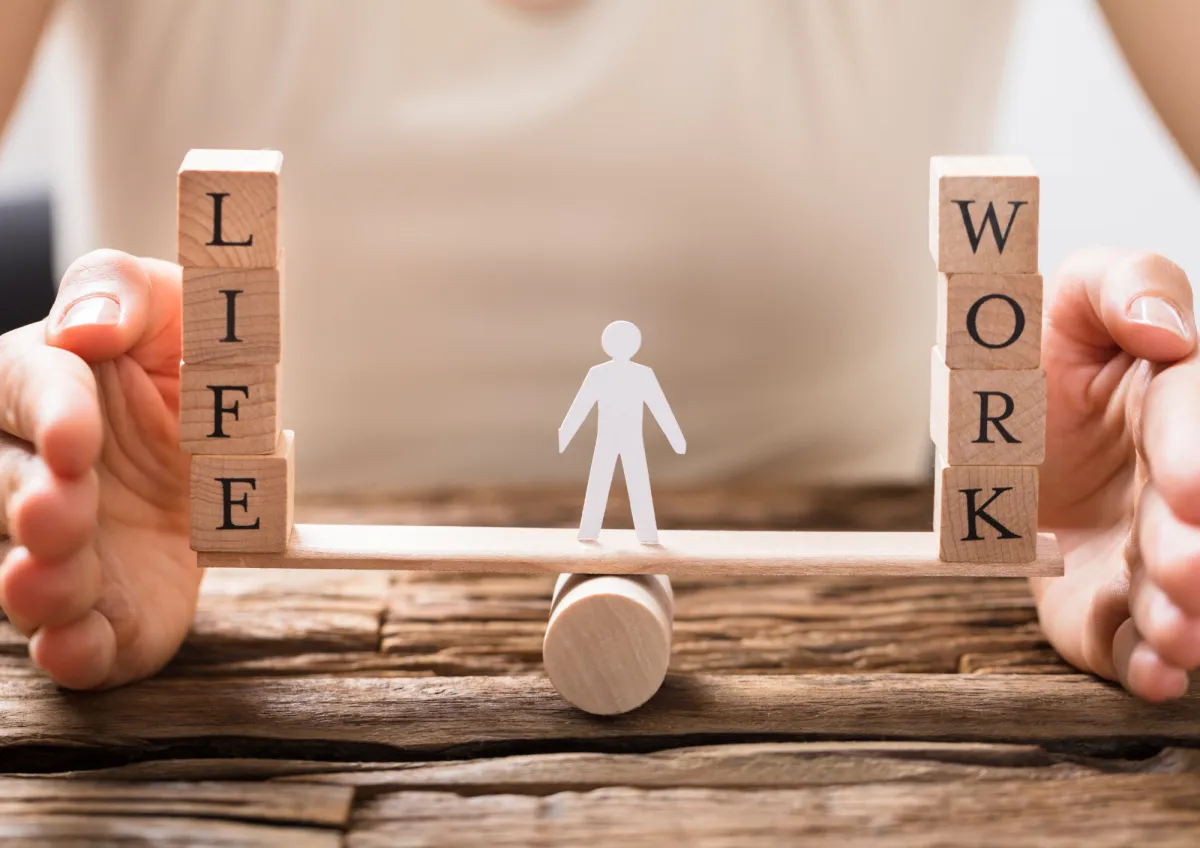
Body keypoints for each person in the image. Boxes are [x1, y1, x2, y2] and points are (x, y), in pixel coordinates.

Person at [0, 0, 1198, 702]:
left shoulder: (619, 380)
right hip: (245, 621)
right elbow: (607, 419)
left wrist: (1166, 440)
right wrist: (38, 441)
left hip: (877, 638)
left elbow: (618, 421)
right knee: (608, 493)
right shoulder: (613, 379)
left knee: (611, 494)